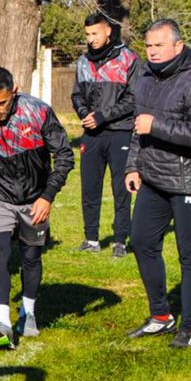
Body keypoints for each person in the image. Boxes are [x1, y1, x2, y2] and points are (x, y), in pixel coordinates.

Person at [0, 67, 74, 350]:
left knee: (31, 256)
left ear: (15, 91)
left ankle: (28, 312)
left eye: (1, 102)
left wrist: (47, 196)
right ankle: (3, 324)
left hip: (34, 197)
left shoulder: (39, 113)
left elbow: (65, 157)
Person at [125, 19, 191, 348]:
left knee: (190, 255)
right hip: (153, 178)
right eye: (148, 46)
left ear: (178, 47)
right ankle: (161, 316)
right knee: (140, 241)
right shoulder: (145, 77)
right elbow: (139, 127)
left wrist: (158, 126)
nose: (151, 52)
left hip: (190, 182)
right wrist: (132, 167)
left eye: (158, 46)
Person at [71, 13, 139, 258]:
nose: (91, 39)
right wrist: (85, 113)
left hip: (120, 133)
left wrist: (103, 116)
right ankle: (91, 239)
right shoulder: (82, 62)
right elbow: (76, 95)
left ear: (108, 31)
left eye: (95, 34)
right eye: (87, 34)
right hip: (91, 135)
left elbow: (133, 98)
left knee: (121, 189)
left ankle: (120, 240)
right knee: (89, 188)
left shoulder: (129, 58)